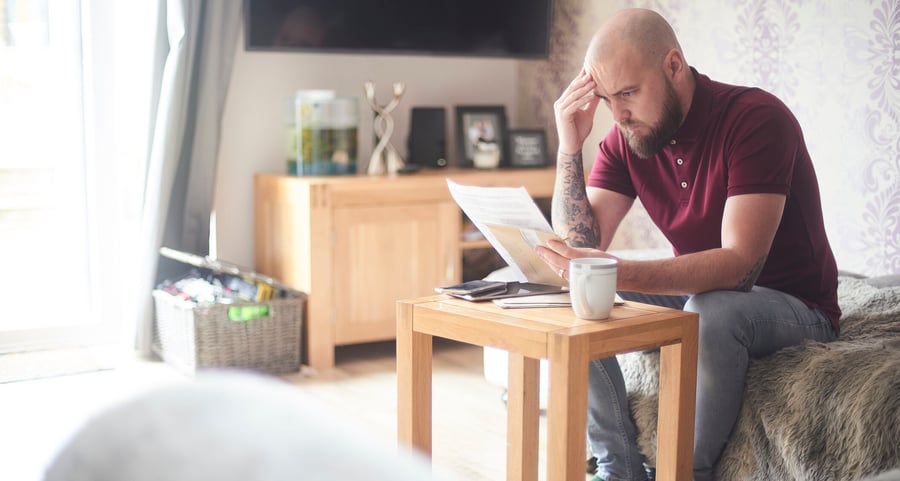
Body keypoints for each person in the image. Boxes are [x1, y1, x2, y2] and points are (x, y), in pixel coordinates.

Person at [535, 8, 840, 481]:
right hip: (704, 293)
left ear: (673, 66)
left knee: (710, 310)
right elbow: (582, 244)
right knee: (574, 292)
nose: (618, 115)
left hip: (794, 303)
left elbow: (740, 267)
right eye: (607, 98)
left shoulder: (757, 120)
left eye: (629, 93)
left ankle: (685, 472)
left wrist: (616, 270)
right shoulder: (627, 136)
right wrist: (569, 147)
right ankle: (619, 468)